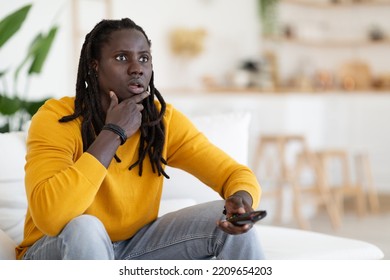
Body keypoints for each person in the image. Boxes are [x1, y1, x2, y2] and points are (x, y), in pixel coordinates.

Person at [16, 18, 264, 260]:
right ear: (94, 66)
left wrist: (241, 200)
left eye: (144, 58)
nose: (137, 68)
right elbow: (51, 217)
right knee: (86, 227)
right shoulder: (58, 118)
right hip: (55, 247)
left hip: (132, 248)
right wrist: (113, 133)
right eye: (122, 57)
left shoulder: (161, 121)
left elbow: (233, 174)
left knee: (228, 226)